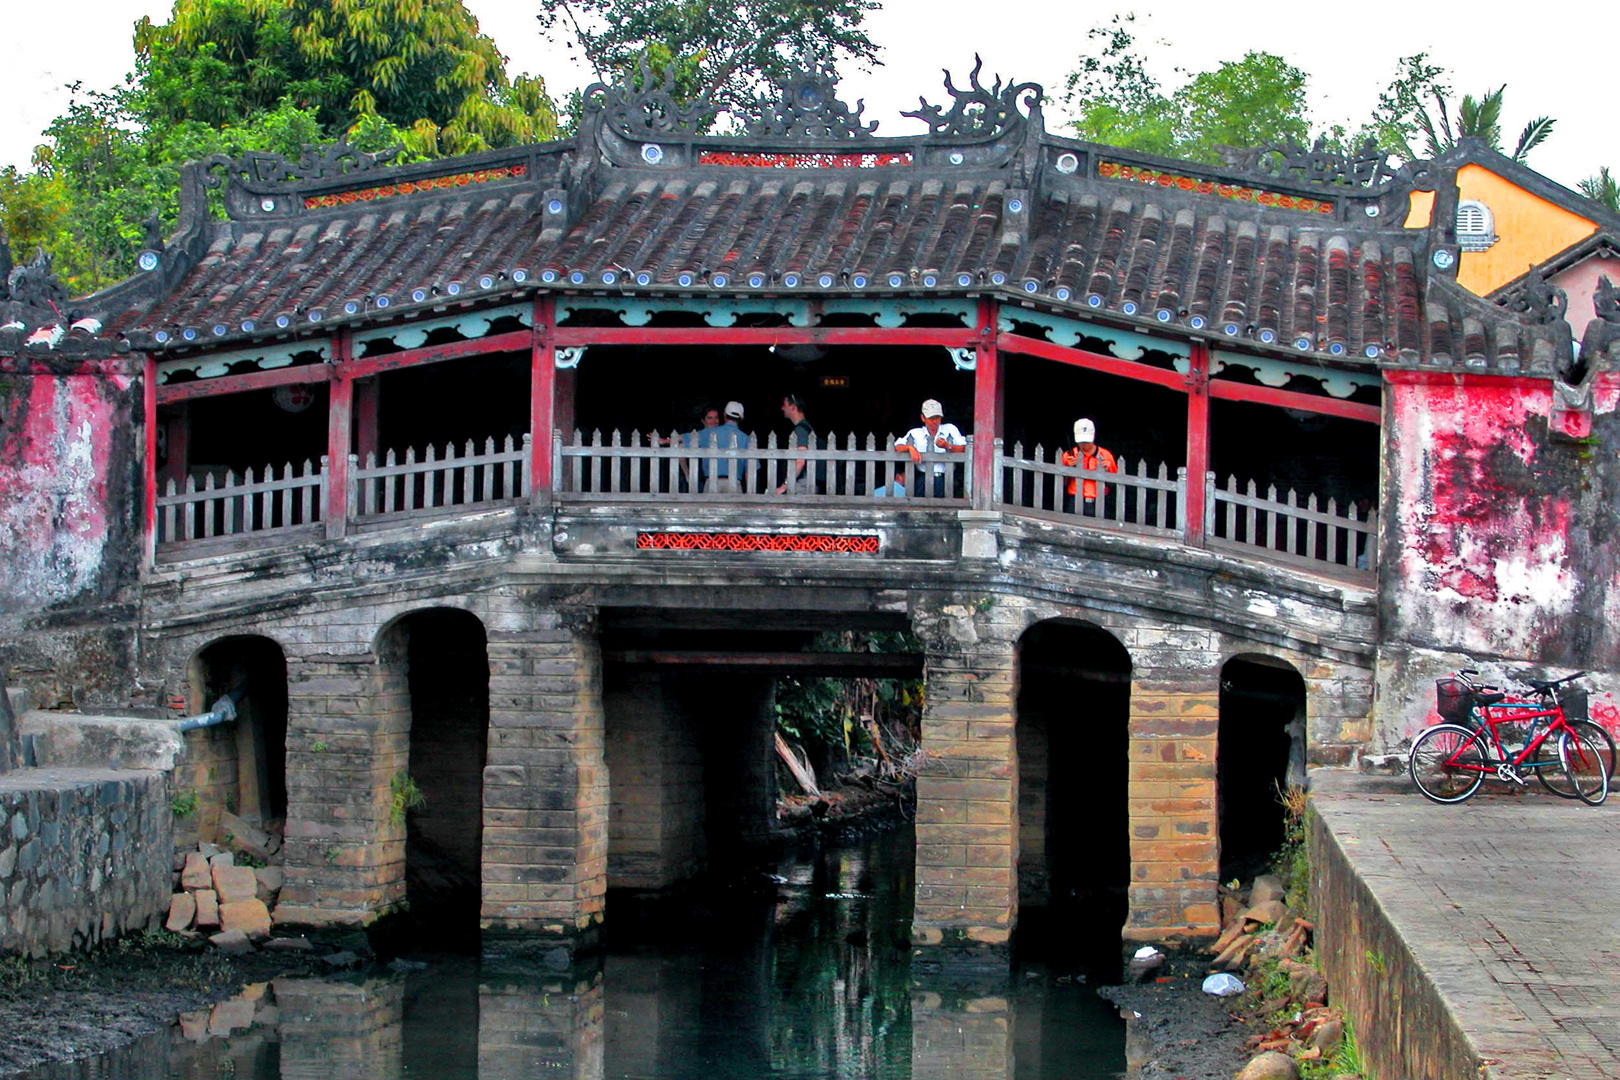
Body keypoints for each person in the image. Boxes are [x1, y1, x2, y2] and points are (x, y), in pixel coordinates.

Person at [895, 399, 966, 498]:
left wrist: (947, 446)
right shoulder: (915, 433)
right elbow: (897, 446)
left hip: (945, 478)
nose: (934, 421)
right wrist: (910, 447)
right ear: (923, 418)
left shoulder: (950, 429)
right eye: (930, 418)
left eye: (937, 417)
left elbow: (963, 448)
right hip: (923, 478)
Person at [1061, 417, 1118, 515]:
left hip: (1100, 501)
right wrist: (1068, 469)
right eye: (1082, 441)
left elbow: (1114, 484)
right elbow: (1062, 483)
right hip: (1074, 499)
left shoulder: (1106, 455)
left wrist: (1108, 471)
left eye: (1087, 441)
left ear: (1094, 436)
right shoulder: (1068, 456)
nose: (1084, 445)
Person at [698, 401, 749, 492]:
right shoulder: (746, 438)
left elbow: (685, 439)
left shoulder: (710, 432)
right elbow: (749, 469)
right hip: (734, 483)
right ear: (741, 418)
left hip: (712, 482)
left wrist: (665, 440)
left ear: (724, 415)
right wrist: (750, 493)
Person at [776, 393, 818, 494]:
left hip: (802, 485)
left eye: (785, 405)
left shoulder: (801, 430)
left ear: (793, 408)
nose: (782, 408)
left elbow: (800, 461)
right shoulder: (806, 428)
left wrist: (785, 485)